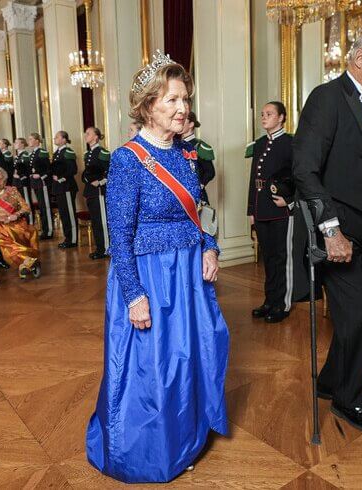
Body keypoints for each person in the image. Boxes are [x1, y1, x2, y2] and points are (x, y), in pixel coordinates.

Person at [86, 51, 228, 484]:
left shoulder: (186, 154)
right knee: (153, 368)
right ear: (148, 106)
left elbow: (197, 211)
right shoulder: (128, 159)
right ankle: (149, 450)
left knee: (189, 356)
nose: (182, 108)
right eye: (171, 100)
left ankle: (186, 437)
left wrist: (209, 246)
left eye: (184, 98)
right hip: (150, 277)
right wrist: (134, 296)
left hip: (187, 276)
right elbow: (120, 237)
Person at [292, 28, 362, 433]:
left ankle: (329, 380)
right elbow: (304, 170)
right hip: (338, 232)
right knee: (356, 313)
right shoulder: (327, 98)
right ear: (358, 58)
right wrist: (330, 230)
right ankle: (349, 400)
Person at [246, 102, 297, 323]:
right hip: (262, 208)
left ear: (282, 117)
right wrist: (251, 210)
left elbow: (302, 176)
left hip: (281, 210)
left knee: (281, 258)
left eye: (269, 114)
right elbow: (253, 180)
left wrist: (289, 201)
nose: (264, 117)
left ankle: (282, 304)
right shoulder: (259, 144)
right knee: (268, 259)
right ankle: (269, 301)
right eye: (262, 113)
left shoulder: (292, 143)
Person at [81, 127, 110, 260]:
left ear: (96, 137)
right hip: (90, 191)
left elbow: (109, 171)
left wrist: (100, 182)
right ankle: (100, 248)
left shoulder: (102, 152)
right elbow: (87, 173)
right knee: (95, 221)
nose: (85, 135)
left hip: (99, 190)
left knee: (101, 221)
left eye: (88, 133)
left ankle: (105, 249)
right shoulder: (87, 154)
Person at [51, 130, 79, 248]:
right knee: (63, 214)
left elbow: (73, 170)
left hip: (67, 186)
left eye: (57, 137)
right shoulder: (56, 152)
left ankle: (72, 240)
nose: (54, 139)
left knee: (69, 214)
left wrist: (60, 177)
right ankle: (67, 238)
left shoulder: (68, 152)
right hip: (59, 187)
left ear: (64, 139)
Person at [181, 111, 215, 204]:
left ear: (191, 124)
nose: (180, 122)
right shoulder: (175, 145)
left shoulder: (199, 146)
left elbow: (210, 172)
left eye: (183, 120)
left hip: (196, 197)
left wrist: (199, 185)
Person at [27, 133, 54, 239]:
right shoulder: (32, 153)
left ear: (37, 141)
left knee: (46, 207)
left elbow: (48, 168)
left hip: (42, 183)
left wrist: (41, 176)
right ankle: (45, 229)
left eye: (31, 139)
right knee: (42, 207)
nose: (28, 141)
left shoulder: (42, 152)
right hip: (35, 183)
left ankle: (49, 231)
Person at [12, 138, 35, 224]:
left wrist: (20, 176)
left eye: (17, 142)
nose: (14, 144)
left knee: (26, 202)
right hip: (17, 183)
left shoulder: (25, 155)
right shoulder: (18, 156)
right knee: (20, 203)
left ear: (22, 144)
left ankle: (30, 223)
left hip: (23, 182)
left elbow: (26, 169)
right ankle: (24, 222)